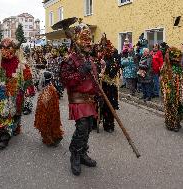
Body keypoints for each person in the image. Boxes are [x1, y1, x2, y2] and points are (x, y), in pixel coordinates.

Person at [60, 23, 98, 176]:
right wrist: (80, 72)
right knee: (82, 127)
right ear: (76, 40)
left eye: (90, 38)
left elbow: (94, 79)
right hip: (77, 98)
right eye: (85, 39)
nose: (89, 42)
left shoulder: (89, 59)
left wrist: (99, 95)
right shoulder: (70, 59)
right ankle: (75, 155)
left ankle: (82, 153)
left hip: (90, 98)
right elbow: (65, 80)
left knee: (88, 127)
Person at [0, 38, 35, 149]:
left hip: (17, 93)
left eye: (8, 48)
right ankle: (4, 135)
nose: (5, 51)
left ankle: (15, 126)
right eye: (3, 48)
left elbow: (27, 76)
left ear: (14, 49)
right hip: (2, 93)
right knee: (3, 113)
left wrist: (29, 89)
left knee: (16, 112)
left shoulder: (21, 63)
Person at [160, 47, 183, 132]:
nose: (177, 60)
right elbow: (163, 80)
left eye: (178, 58)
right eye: (175, 58)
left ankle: (176, 122)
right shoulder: (166, 67)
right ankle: (170, 124)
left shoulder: (179, 68)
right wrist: (167, 92)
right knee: (170, 106)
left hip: (179, 91)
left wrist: (182, 90)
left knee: (178, 106)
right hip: (169, 91)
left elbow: (182, 79)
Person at [34, 71, 64, 146]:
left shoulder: (48, 90)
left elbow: (43, 103)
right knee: (53, 122)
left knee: (47, 123)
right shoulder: (51, 87)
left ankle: (50, 139)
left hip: (47, 112)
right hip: (53, 111)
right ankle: (54, 136)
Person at [98, 35, 120, 133]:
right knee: (103, 105)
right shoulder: (102, 59)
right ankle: (103, 123)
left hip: (111, 87)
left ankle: (110, 124)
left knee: (111, 105)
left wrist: (105, 67)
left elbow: (112, 74)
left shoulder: (114, 62)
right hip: (103, 85)